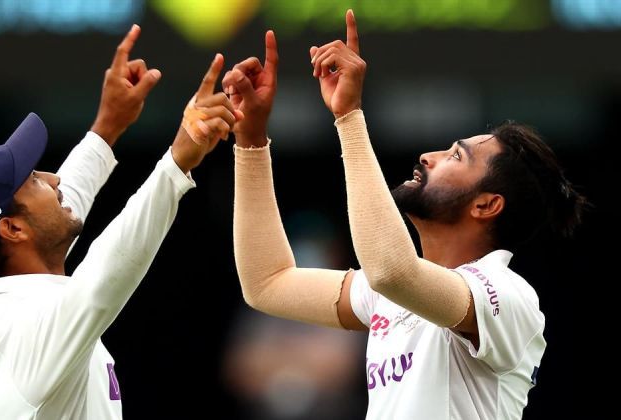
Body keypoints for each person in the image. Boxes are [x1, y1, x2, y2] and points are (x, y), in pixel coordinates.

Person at [223, 10, 586, 420]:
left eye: (455, 156)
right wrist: (250, 139)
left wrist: (348, 116)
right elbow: (267, 284)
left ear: (486, 205)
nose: (427, 157)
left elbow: (392, 271)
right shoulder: (389, 296)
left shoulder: (507, 295)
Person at [0, 24, 241, 419]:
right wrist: (176, 163)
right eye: (35, 180)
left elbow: (60, 206)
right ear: (13, 230)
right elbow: (108, 269)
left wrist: (107, 126)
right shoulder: (29, 322)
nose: (54, 179)